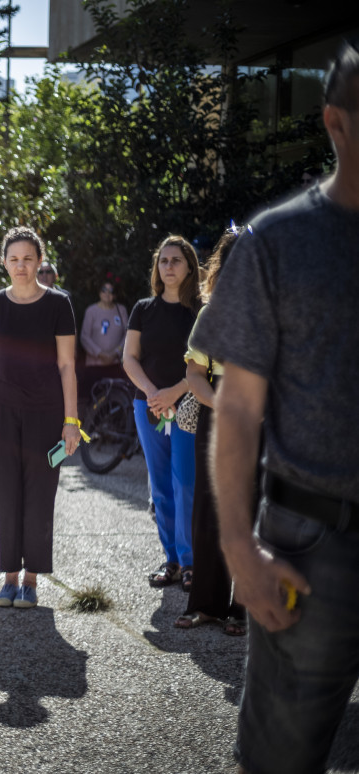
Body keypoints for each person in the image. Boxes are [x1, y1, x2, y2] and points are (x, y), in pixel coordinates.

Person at [190, 40, 359, 774]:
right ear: (336, 123)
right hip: (311, 547)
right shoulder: (276, 244)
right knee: (280, 762)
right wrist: (239, 549)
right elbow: (236, 408)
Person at [0, 227, 79, 609]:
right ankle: (9, 578)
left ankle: (31, 579)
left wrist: (72, 421)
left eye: (28, 258)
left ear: (39, 261)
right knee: (6, 494)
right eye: (13, 259)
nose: (21, 265)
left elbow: (67, 366)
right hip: (0, 411)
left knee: (39, 496)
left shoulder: (59, 305)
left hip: (47, 412)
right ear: (4, 262)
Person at [175, 227, 245, 636]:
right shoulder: (210, 313)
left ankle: (244, 608)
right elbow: (194, 373)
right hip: (218, 410)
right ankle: (206, 605)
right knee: (209, 509)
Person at [123, 235, 200, 591]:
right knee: (161, 485)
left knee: (185, 482)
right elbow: (129, 358)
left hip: (188, 403)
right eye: (163, 261)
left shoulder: (200, 310)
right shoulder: (142, 309)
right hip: (148, 405)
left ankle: (189, 562)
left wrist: (175, 391)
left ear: (189, 268)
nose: (168, 266)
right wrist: (154, 393)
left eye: (176, 261)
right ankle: (170, 559)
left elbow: (207, 363)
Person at [78, 281, 129, 403]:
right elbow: (84, 337)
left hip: (115, 365)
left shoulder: (121, 310)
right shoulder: (91, 311)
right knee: (93, 403)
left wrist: (116, 352)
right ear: (99, 292)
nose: (107, 294)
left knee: (116, 401)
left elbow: (128, 335)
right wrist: (100, 353)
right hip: (94, 367)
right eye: (104, 290)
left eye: (111, 291)